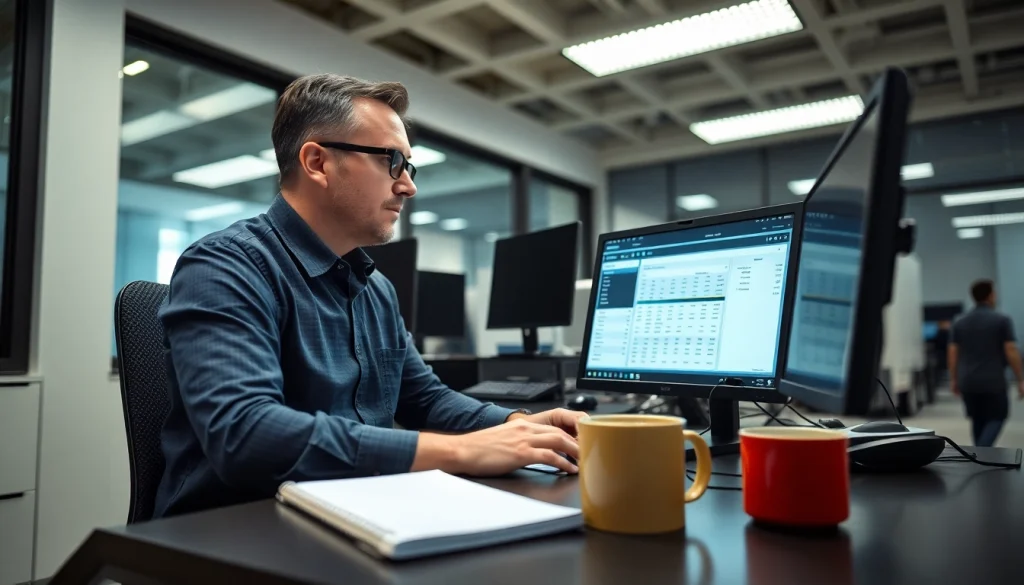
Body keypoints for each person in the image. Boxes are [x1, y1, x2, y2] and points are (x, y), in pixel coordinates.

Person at [153, 74, 586, 518]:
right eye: (392, 161)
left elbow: (425, 398)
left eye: (409, 167)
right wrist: (461, 452)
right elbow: (245, 434)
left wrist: (517, 425)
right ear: (318, 162)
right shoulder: (226, 265)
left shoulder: (374, 287)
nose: (408, 186)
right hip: (236, 527)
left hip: (359, 508)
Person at [948, 279, 1024, 447]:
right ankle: (982, 450)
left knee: (977, 419)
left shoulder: (960, 321)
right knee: (997, 417)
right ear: (990, 295)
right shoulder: (1001, 320)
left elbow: (953, 353)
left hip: (968, 381)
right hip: (993, 380)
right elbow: (1011, 349)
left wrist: (954, 379)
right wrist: (1020, 378)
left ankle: (979, 456)